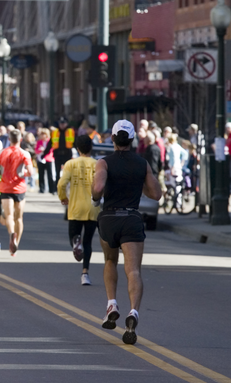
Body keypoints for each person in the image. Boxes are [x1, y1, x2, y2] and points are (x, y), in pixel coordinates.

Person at [91, 120, 161, 345]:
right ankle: (133, 312)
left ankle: (112, 303)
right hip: (131, 217)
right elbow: (156, 194)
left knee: (110, 261)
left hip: (109, 218)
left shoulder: (104, 163)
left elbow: (99, 188)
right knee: (134, 271)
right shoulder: (142, 163)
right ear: (132, 140)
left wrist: (94, 197)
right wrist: (139, 180)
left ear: (112, 138)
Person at [57, 135, 100, 285]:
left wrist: (63, 197)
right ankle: (85, 274)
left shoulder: (70, 164)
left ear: (77, 149)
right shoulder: (97, 164)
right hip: (92, 208)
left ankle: (76, 242)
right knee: (88, 241)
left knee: (73, 236)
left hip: (75, 207)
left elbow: (62, 184)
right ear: (91, 148)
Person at [0, 129, 34, 256]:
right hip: (19, 188)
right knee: (19, 218)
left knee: (9, 216)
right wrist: (22, 174)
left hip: (5, 187)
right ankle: (16, 244)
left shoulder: (3, 153)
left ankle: (11, 234)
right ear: (20, 139)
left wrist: (3, 173)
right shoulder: (25, 154)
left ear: (9, 139)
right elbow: (30, 172)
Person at [52, 117, 75, 183]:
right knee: (57, 172)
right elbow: (50, 143)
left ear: (66, 124)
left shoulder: (70, 131)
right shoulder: (55, 132)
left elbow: (75, 142)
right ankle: (57, 188)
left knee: (67, 172)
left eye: (63, 123)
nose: (62, 125)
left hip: (67, 154)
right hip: (57, 154)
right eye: (61, 123)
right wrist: (45, 154)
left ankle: (67, 186)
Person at [34, 128, 56, 194]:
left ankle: (52, 189)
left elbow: (51, 150)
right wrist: (40, 150)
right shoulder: (39, 142)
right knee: (41, 174)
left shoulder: (50, 141)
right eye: (42, 134)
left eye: (44, 134)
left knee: (50, 175)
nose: (43, 135)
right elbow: (36, 150)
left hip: (49, 159)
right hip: (40, 159)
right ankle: (41, 189)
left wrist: (44, 150)